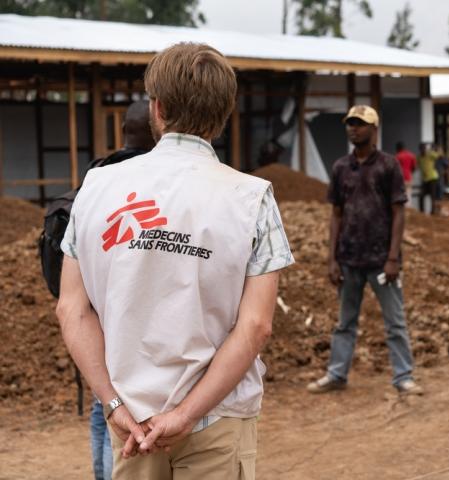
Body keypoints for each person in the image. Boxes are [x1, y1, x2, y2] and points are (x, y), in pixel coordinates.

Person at [56, 43, 294, 480]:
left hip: (132, 423)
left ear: (158, 107)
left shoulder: (95, 188)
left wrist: (112, 403)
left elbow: (71, 308)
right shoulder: (252, 198)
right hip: (218, 418)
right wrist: (185, 414)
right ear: (225, 113)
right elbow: (256, 326)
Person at [307, 105, 422, 396]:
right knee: (345, 322)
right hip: (349, 259)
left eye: (359, 124)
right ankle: (337, 374)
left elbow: (398, 213)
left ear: (374, 129)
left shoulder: (388, 165)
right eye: (350, 124)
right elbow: (336, 214)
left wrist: (393, 257)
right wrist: (331, 259)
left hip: (382, 261)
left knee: (395, 322)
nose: (353, 129)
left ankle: (403, 377)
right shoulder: (341, 168)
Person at [88, 100, 154, 480]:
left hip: (95, 308)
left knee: (104, 404)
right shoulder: (146, 178)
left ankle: (101, 472)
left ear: (125, 130)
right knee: (124, 406)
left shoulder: (97, 174)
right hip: (129, 310)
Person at [418, 142, 439, 214]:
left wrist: (433, 149)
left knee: (432, 196)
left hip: (432, 178)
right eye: (421, 149)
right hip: (425, 179)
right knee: (421, 195)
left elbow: (437, 155)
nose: (423, 150)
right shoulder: (419, 157)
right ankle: (422, 212)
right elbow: (418, 166)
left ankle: (433, 211)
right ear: (420, 149)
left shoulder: (430, 154)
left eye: (424, 149)